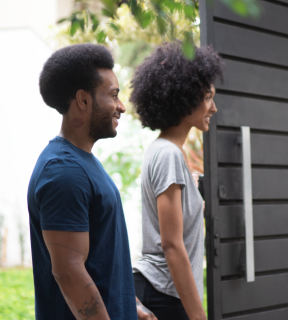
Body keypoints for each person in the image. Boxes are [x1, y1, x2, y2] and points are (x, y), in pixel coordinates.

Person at [27, 43, 138, 320]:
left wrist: (132, 305)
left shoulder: (81, 162)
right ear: (84, 100)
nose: (121, 106)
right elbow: (69, 272)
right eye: (113, 95)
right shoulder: (64, 170)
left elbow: (102, 258)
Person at [129, 42, 224, 320]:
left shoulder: (166, 152)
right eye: (207, 97)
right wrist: (198, 316)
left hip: (164, 292)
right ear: (184, 98)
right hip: (164, 295)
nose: (214, 108)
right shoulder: (169, 154)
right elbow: (171, 245)